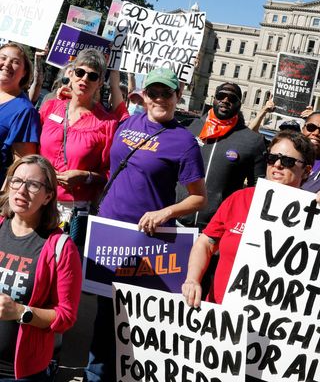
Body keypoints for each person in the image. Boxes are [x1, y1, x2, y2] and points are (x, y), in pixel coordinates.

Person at [85, 67, 207, 382]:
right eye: (153, 93)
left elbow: (198, 198)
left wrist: (165, 213)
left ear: (178, 95)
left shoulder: (184, 141)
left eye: (167, 93)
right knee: (104, 318)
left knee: (134, 325)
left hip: (148, 243)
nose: (159, 99)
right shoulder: (127, 123)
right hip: (109, 235)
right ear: (144, 95)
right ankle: (94, 377)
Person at [182, 130, 320, 307]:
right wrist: (192, 279)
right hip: (219, 311)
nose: (277, 165)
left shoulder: (318, 213)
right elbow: (206, 243)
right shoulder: (240, 198)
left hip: (273, 320)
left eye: (287, 161)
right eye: (272, 158)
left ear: (307, 171)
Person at [0, 155, 82, 381]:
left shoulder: (61, 247)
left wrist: (20, 311)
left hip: (17, 373)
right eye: (17, 181)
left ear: (48, 196)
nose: (22, 190)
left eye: (33, 185)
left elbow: (66, 315)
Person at [39, 49, 118, 244]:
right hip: (38, 198)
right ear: (72, 73)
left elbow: (110, 174)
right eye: (80, 72)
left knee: (62, 258)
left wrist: (85, 176)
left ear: (100, 82)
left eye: (92, 76)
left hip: (72, 210)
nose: (84, 79)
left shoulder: (107, 124)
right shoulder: (50, 107)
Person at [176, 82, 267, 231]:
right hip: (176, 223)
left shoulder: (253, 141)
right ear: (214, 99)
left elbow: (256, 189)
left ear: (239, 104)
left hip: (217, 230)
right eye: (221, 96)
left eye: (232, 98)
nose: (225, 100)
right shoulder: (189, 127)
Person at [0, 43, 41, 187]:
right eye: (3, 58)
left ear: (24, 72)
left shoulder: (25, 111)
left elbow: (21, 165)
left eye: (15, 62)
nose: (7, 64)